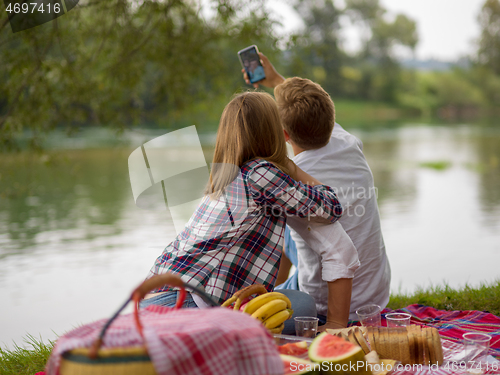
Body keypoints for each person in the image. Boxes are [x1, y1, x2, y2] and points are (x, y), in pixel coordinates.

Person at [141, 91, 355, 331]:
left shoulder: (224, 177)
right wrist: (291, 167)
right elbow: (331, 207)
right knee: (303, 306)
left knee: (290, 299)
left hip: (155, 298)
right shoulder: (261, 173)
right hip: (186, 308)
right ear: (272, 131)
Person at [243, 53, 391, 321]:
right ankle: (277, 286)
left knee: (276, 225)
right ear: (331, 119)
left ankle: (271, 291)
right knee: (290, 233)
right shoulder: (348, 142)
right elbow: (309, 110)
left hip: (328, 305)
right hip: (375, 296)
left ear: (284, 135)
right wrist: (276, 80)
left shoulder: (289, 180)